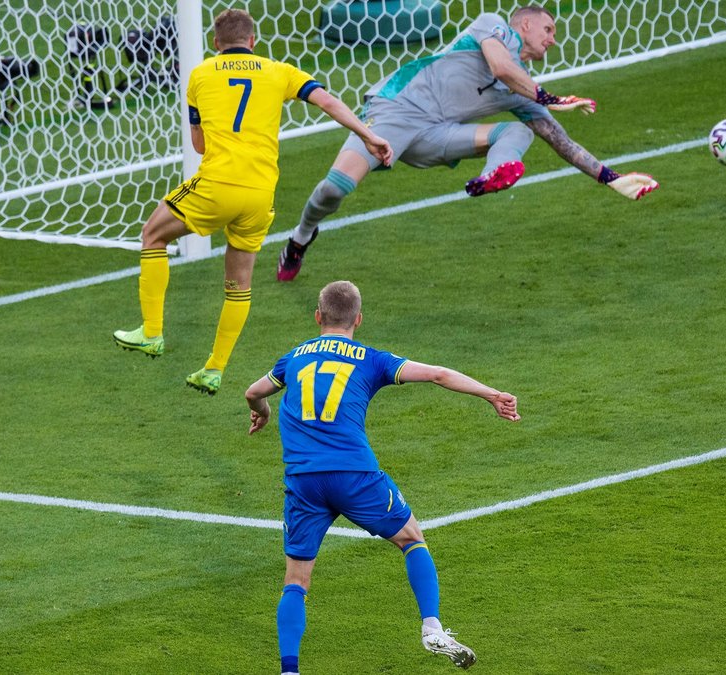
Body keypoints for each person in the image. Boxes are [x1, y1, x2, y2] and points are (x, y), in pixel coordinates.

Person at [244, 280, 521, 672]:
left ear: (318, 316)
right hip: (354, 474)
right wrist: (492, 394)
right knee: (411, 538)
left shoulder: (292, 359)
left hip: (304, 482)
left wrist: (264, 412)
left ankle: (290, 670)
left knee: (296, 581)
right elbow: (438, 374)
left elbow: (253, 392)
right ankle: (432, 627)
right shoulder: (370, 359)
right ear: (358, 319)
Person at [113, 9, 393, 395]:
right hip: (260, 195)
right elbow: (328, 102)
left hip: (216, 185)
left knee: (152, 235)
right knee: (238, 283)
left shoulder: (200, 74)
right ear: (253, 41)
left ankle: (151, 332)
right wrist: (368, 136)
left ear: (216, 43)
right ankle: (214, 369)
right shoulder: (279, 71)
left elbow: (199, 144)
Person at [275, 4, 660, 282]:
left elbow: (562, 142)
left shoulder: (523, 92)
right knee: (335, 189)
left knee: (520, 132)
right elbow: (500, 67)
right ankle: (301, 237)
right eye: (548, 29)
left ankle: (493, 174)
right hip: (396, 111)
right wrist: (551, 97)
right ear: (525, 24)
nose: (553, 40)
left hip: (436, 135)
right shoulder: (493, 26)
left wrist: (611, 177)